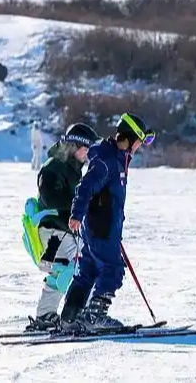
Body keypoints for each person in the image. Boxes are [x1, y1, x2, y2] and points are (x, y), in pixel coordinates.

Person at [60, 113, 155, 332]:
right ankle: (95, 316)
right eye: (140, 141)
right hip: (100, 229)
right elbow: (85, 187)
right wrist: (76, 214)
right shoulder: (107, 160)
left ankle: (69, 317)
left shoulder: (117, 158)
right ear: (130, 137)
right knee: (112, 268)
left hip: (101, 228)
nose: (140, 146)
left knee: (88, 270)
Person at [22, 123, 101, 331]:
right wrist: (79, 206)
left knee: (63, 271)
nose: (88, 155)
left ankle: (45, 315)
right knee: (71, 270)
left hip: (62, 230)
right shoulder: (52, 167)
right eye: (87, 150)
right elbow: (52, 199)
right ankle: (77, 314)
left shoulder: (72, 169)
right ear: (75, 146)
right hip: (52, 230)